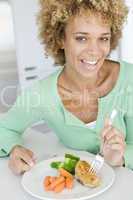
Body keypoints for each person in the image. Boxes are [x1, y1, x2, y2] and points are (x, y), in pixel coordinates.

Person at [0, 0, 132, 175]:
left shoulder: (128, 79)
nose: (94, 50)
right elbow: (5, 128)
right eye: (81, 38)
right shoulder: (43, 94)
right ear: (61, 38)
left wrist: (120, 158)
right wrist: (14, 150)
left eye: (103, 38)